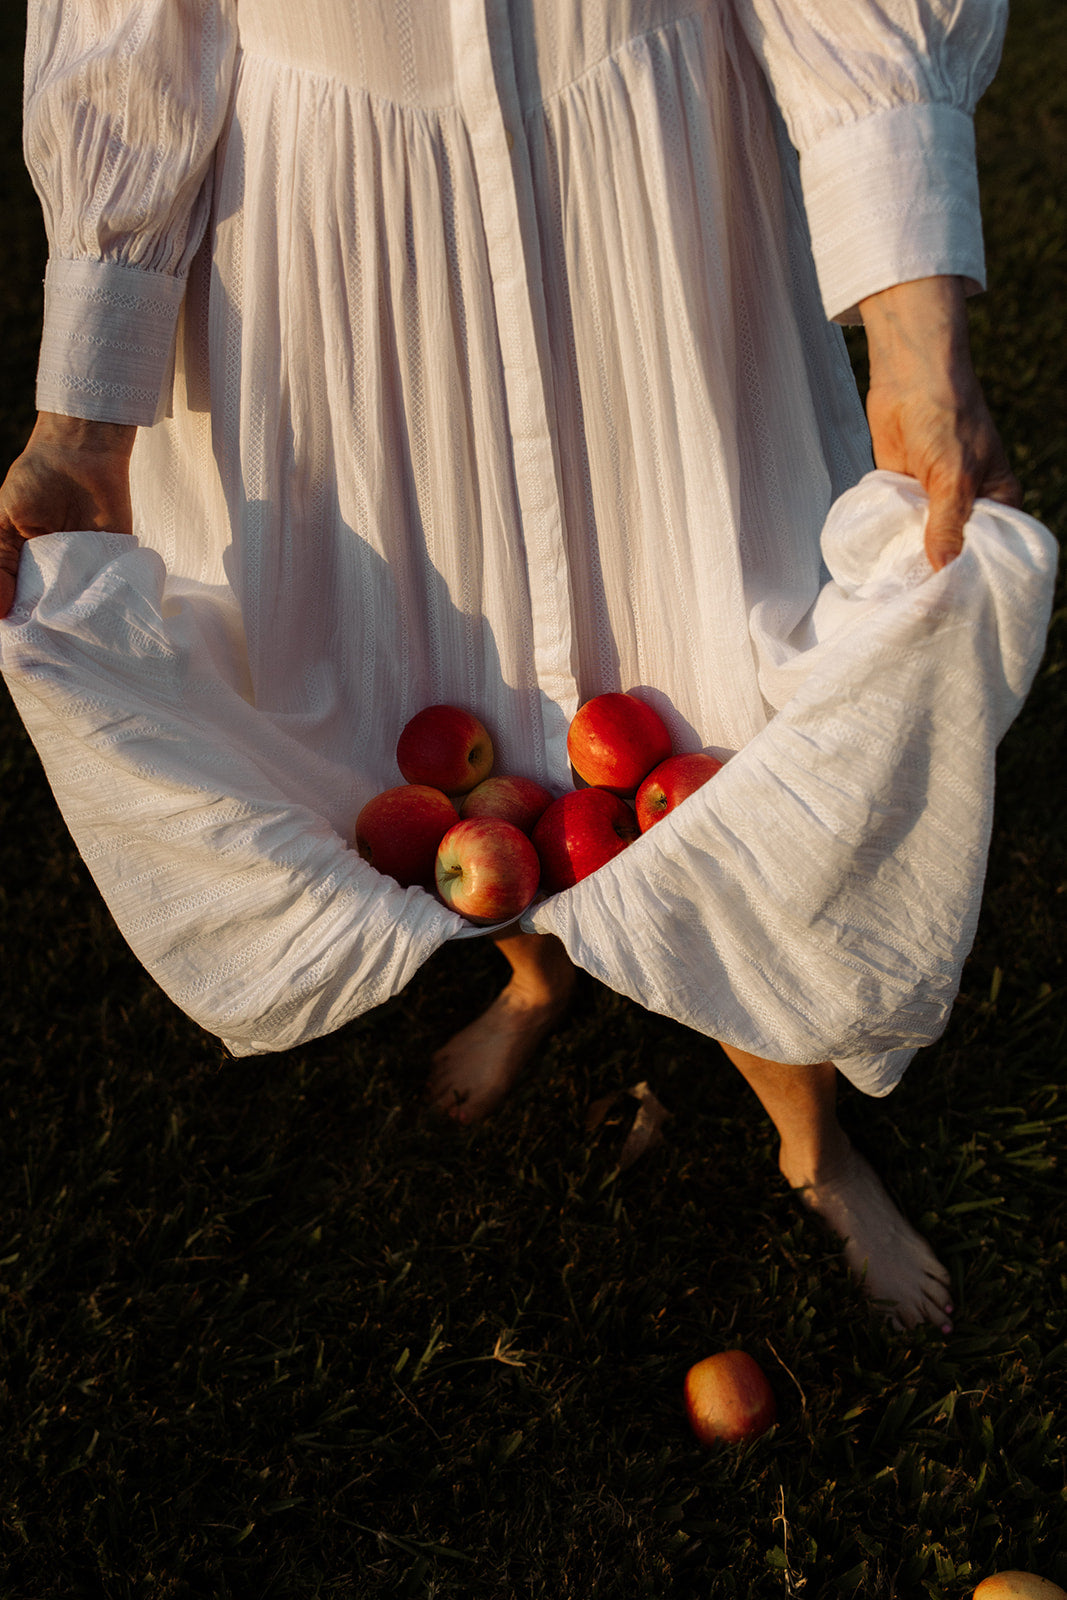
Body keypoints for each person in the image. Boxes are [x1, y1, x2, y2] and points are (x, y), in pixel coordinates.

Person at [0, 2, 1026, 1332]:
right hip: (334, 247)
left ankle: (813, 1141)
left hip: (640, 206)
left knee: (720, 738)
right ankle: (534, 975)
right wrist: (84, 418)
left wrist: (914, 327)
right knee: (433, 738)